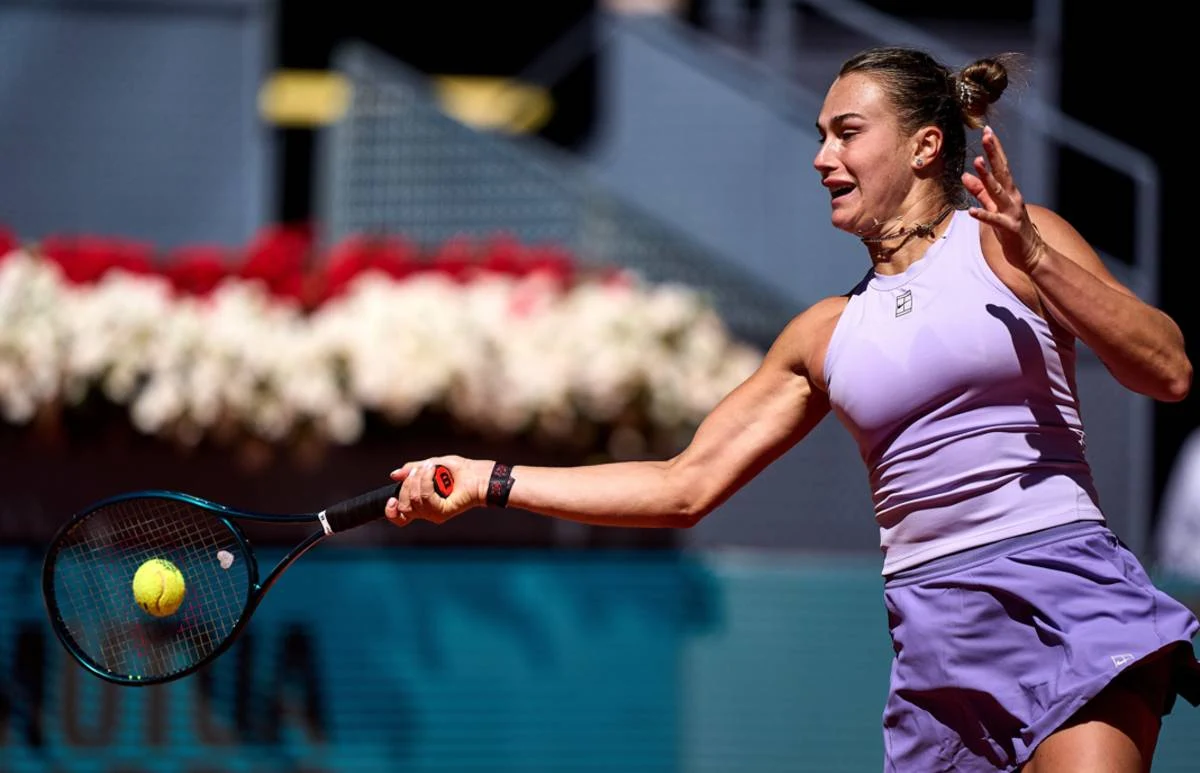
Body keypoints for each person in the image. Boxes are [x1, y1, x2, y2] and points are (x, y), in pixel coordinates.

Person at [383, 46, 1200, 772]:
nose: (821, 157)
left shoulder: (1010, 244)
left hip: (1063, 592)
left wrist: (1038, 258)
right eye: (821, 134)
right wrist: (491, 478)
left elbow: (1165, 368)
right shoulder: (822, 334)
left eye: (847, 132)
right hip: (936, 635)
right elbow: (683, 484)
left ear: (925, 146)